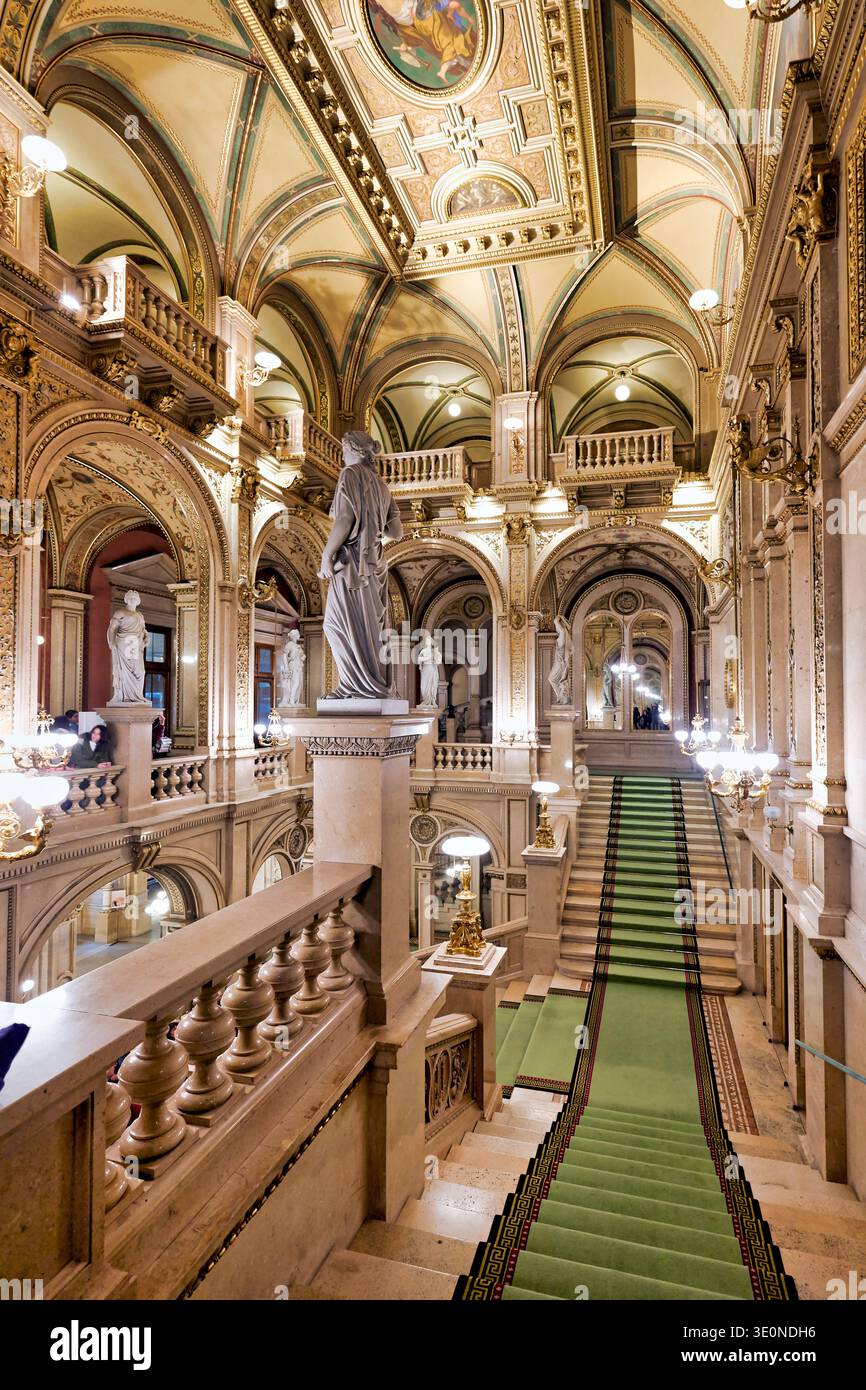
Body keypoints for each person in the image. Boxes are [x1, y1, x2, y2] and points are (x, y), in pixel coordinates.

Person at [319, 431, 403, 700]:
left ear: (354, 449)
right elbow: (396, 532)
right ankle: (367, 685)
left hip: (352, 564)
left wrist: (326, 555)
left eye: (344, 449)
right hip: (374, 564)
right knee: (367, 628)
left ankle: (353, 686)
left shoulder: (350, 474)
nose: (342, 455)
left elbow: (344, 518)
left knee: (335, 625)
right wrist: (374, 528)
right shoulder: (382, 486)